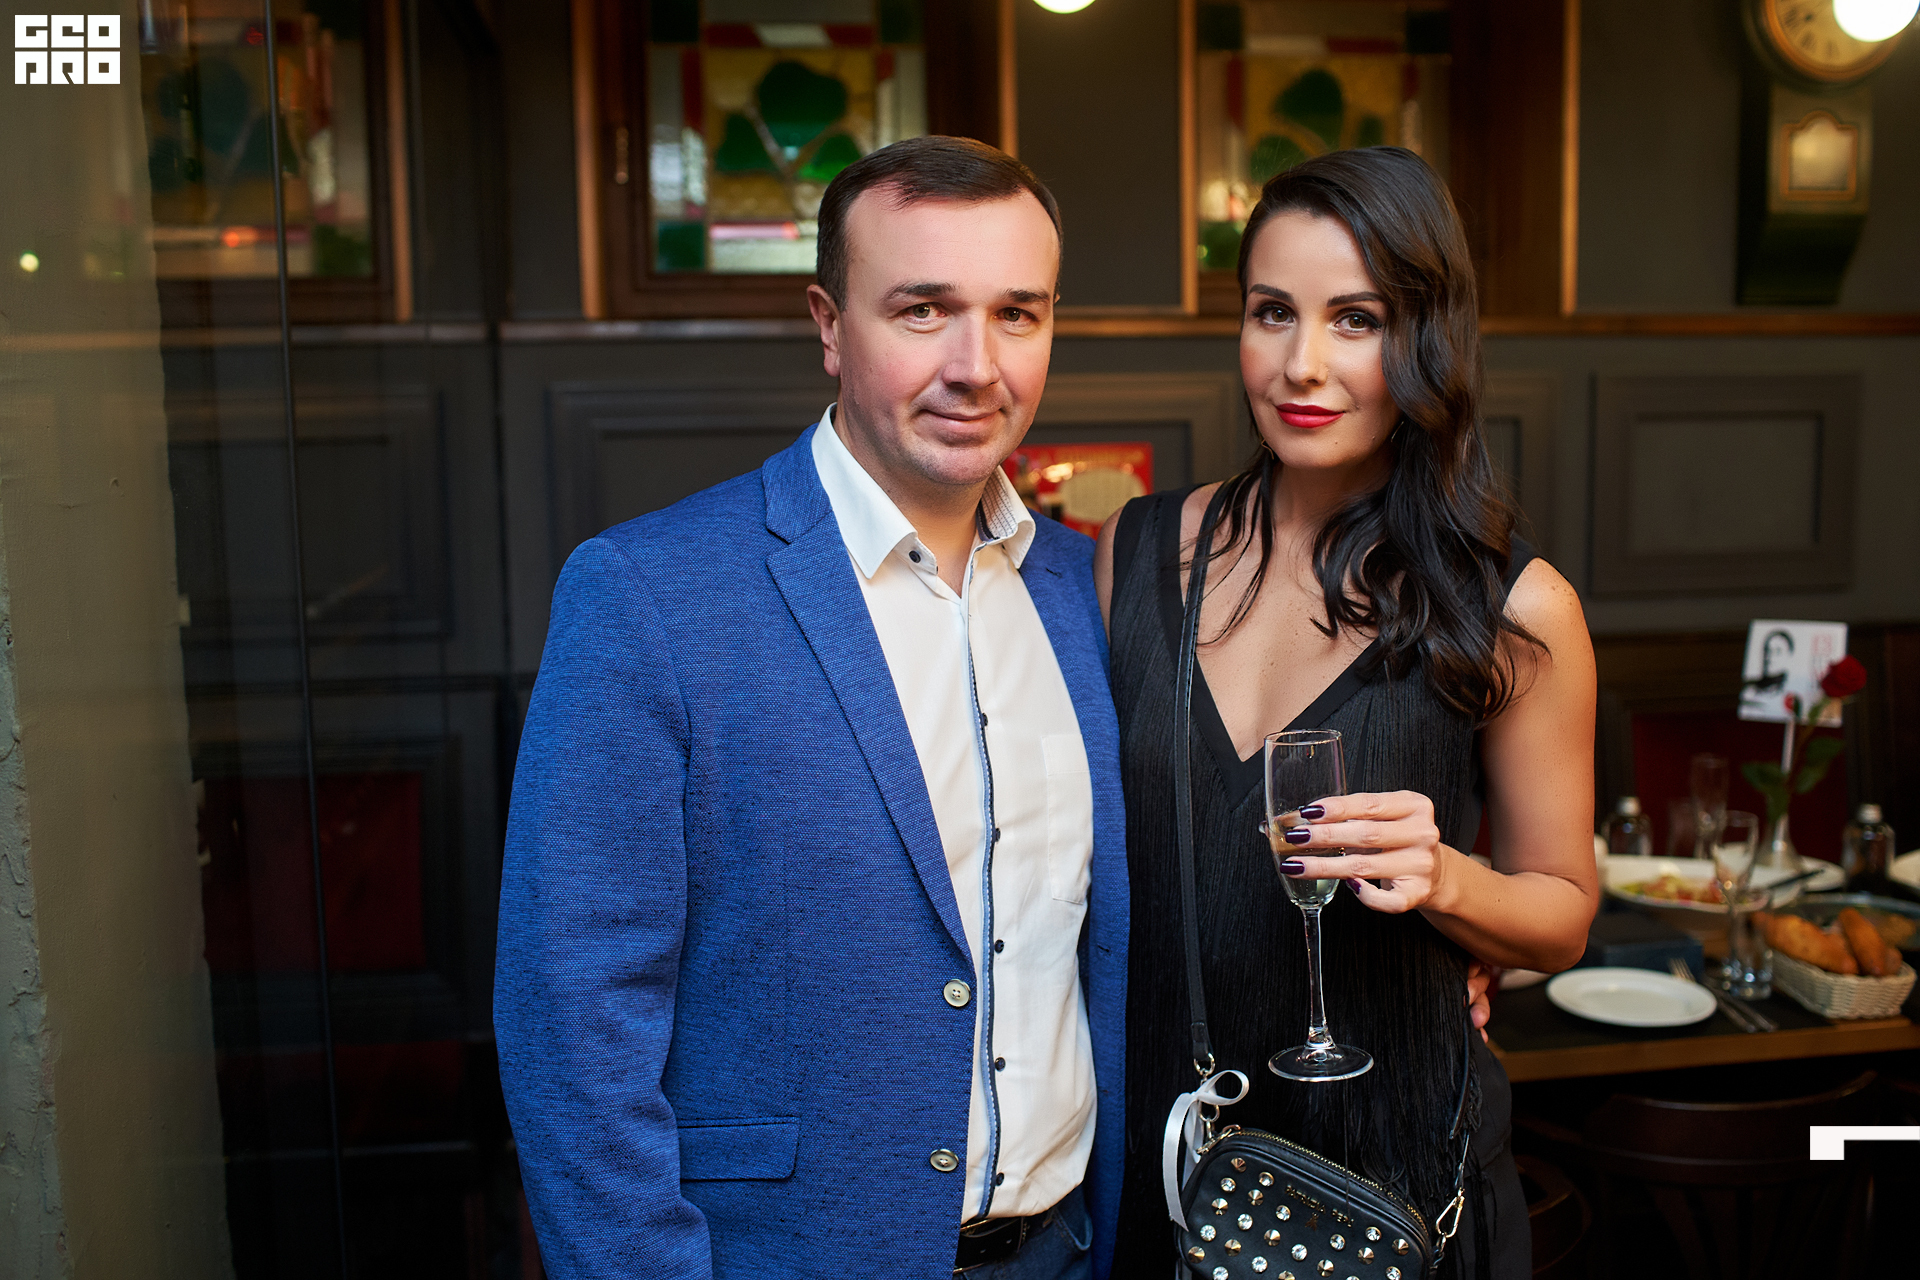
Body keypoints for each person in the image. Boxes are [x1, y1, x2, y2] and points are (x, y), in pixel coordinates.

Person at [494, 136, 1127, 1280]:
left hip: (1067, 1252)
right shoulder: (649, 595)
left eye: (1017, 314)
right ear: (830, 325)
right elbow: (572, 1024)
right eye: (923, 309)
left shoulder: (1086, 593)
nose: (976, 365)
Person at [1093, 147, 1598, 1279]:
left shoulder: (1516, 609)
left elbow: (1562, 917)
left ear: (1426, 339)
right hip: (1169, 1173)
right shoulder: (1135, 551)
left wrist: (1446, 880)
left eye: (1356, 319)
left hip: (1395, 1186)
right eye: (1272, 311)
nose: (1302, 364)